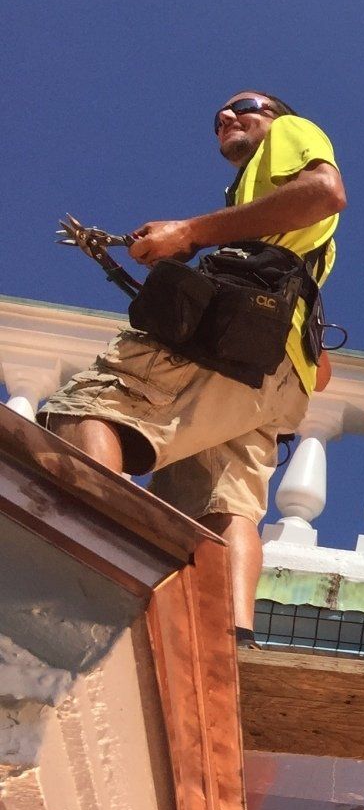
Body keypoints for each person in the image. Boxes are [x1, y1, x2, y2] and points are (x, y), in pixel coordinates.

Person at [41, 91, 346, 642]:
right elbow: (320, 370)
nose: (227, 117)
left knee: (86, 411)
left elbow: (325, 191)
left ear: (279, 117)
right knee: (220, 506)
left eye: (245, 105)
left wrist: (190, 233)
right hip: (274, 376)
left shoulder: (290, 135)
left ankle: (96, 564)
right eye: (218, 118)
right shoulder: (298, 247)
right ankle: (230, 639)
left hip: (227, 340)